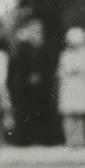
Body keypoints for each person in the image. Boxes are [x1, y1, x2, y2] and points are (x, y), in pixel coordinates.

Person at [7, 18, 55, 146]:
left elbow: (50, 66)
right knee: (25, 112)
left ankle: (46, 140)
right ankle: (24, 140)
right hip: (26, 86)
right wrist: (29, 76)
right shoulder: (23, 48)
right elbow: (17, 66)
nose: (36, 34)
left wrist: (41, 76)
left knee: (43, 112)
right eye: (34, 31)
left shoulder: (46, 48)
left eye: (39, 31)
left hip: (43, 85)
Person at [56, 27, 85, 147]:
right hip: (69, 86)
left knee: (80, 114)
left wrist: (80, 71)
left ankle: (80, 140)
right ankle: (69, 140)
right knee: (69, 113)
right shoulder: (64, 55)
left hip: (81, 85)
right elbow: (60, 72)